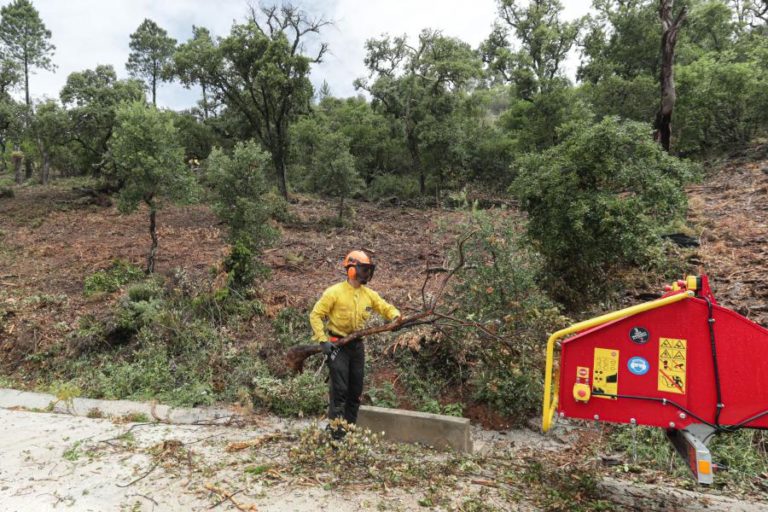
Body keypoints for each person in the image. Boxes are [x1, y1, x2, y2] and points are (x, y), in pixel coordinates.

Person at [309, 250, 400, 439]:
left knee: (355, 392)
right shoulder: (334, 292)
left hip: (357, 347)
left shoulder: (369, 295)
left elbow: (385, 307)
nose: (367, 273)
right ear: (351, 270)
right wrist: (322, 340)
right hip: (337, 346)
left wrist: (396, 317)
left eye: (368, 270)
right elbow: (315, 315)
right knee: (340, 391)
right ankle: (336, 433)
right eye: (364, 269)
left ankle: (349, 431)